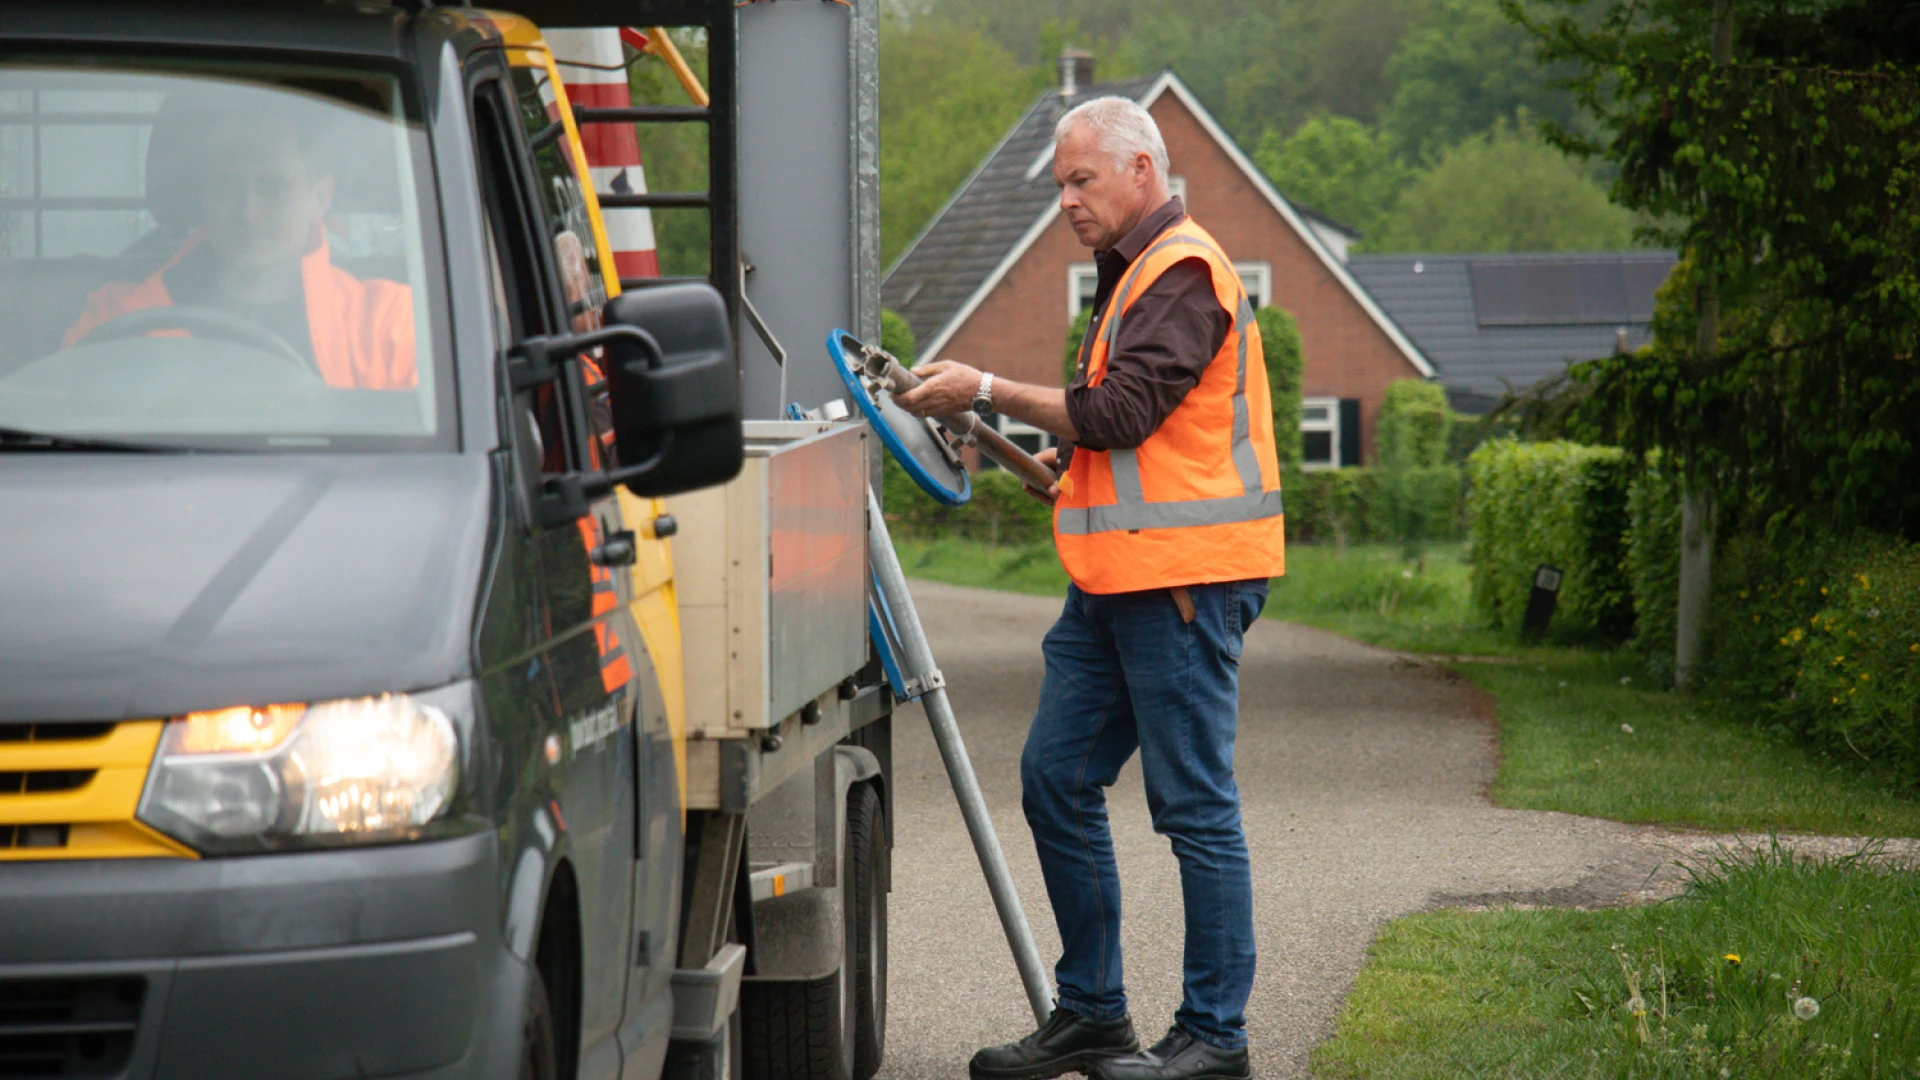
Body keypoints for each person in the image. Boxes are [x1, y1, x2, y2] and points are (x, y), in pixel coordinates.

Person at [894, 96, 1285, 1080]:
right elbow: (1113, 443)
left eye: (1082, 180)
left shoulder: (1184, 270)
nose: (1067, 201)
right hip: (1115, 581)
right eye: (1061, 184)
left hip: (1186, 585)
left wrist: (984, 387)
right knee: (1055, 779)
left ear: (1144, 170)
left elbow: (1116, 413)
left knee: (1195, 805)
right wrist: (1048, 467)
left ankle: (1215, 1039)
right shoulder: (1125, 277)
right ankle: (1096, 1015)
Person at [62, 112, 415, 389]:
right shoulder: (116, 318)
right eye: (225, 185)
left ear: (320, 197)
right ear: (203, 194)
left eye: (272, 188)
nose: (248, 212)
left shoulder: (388, 326)